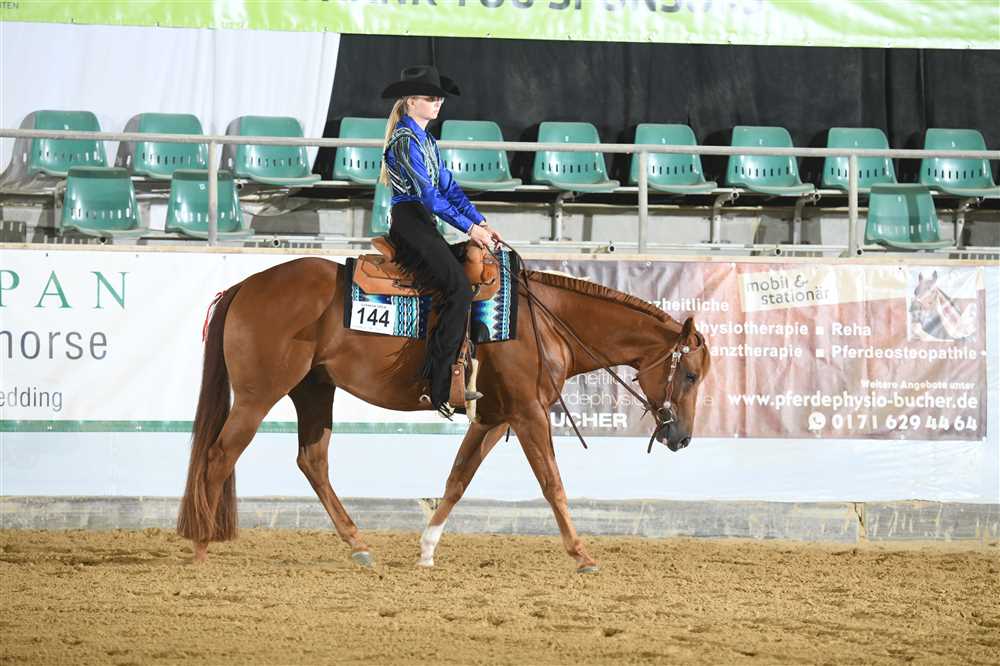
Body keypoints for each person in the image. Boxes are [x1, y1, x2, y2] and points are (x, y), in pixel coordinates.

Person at [378, 65, 503, 418]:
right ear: (411, 101)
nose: (437, 104)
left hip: (424, 224)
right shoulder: (404, 141)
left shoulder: (427, 141)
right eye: (431, 98)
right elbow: (430, 196)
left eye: (439, 99)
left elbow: (449, 188)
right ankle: (441, 386)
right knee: (459, 289)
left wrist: (480, 221)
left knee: (467, 273)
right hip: (410, 223)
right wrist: (470, 229)